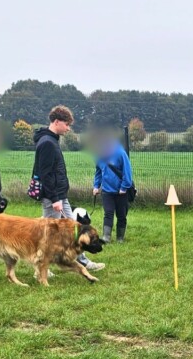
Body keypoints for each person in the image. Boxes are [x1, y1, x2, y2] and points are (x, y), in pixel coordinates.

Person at [33, 105, 105, 272]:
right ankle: (42, 267)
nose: (68, 128)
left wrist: (60, 196)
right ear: (57, 121)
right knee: (49, 234)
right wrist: (54, 199)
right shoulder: (47, 143)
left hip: (60, 195)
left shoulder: (52, 140)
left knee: (74, 230)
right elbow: (45, 174)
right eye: (66, 124)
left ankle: (83, 261)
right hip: (53, 197)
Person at [92, 136, 134, 243]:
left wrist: (124, 187)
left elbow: (127, 171)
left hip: (121, 192)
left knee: (121, 215)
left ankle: (120, 238)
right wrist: (96, 186)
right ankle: (106, 237)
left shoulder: (120, 153)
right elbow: (98, 171)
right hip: (106, 191)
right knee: (108, 213)